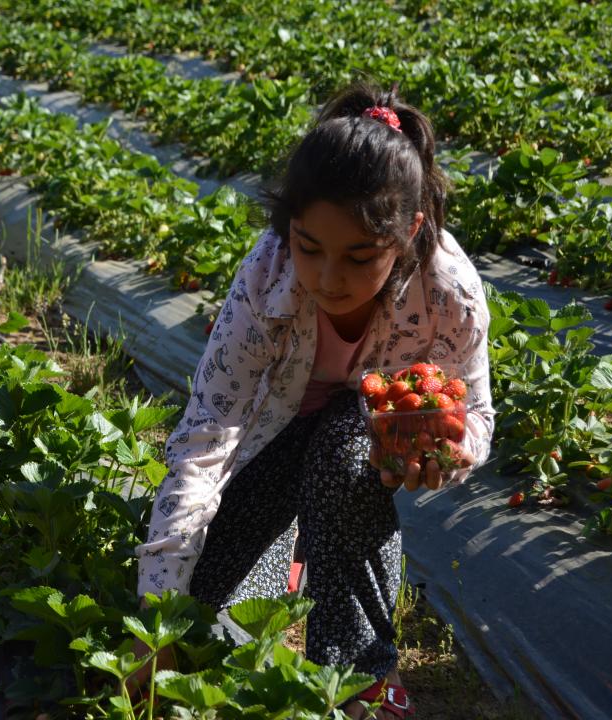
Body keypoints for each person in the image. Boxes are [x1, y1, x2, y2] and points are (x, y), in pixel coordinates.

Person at [134, 83, 493, 719]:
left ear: (409, 231)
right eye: (309, 247)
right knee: (203, 622)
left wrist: (448, 451)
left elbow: (476, 417)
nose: (329, 279)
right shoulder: (266, 277)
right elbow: (209, 429)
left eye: (360, 257)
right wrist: (158, 616)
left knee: (347, 452)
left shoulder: (449, 296)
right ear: (288, 228)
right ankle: (289, 551)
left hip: (353, 450)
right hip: (270, 437)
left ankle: (363, 679)